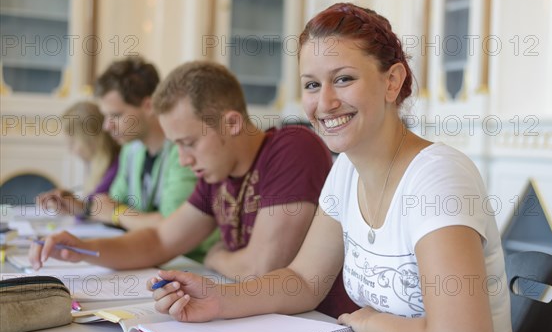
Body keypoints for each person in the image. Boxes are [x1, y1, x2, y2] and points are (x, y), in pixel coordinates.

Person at [147, 3, 516, 332]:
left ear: (392, 82)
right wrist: (217, 298)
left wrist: (372, 323)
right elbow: (305, 280)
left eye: (343, 79)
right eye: (311, 85)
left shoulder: (438, 178)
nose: (324, 103)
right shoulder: (347, 170)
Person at [29, 61, 333, 284]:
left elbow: (261, 269)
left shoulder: (292, 147)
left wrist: (217, 257)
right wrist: (83, 249)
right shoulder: (216, 175)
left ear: (231, 123)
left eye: (189, 144)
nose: (184, 160)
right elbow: (159, 241)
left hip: (322, 326)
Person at [38, 58, 201, 236]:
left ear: (148, 106)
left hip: (188, 261)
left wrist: (117, 214)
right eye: (105, 116)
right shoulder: (131, 152)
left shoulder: (183, 152)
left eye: (115, 115)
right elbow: (109, 204)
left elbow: (172, 226)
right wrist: (81, 208)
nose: (107, 126)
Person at [38, 101, 120, 217]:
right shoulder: (100, 166)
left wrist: (77, 205)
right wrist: (70, 201)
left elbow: (93, 209)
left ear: (90, 139)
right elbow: (89, 208)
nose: (71, 151)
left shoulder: (116, 165)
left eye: (72, 143)